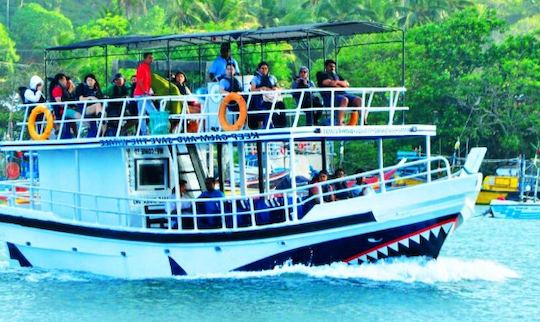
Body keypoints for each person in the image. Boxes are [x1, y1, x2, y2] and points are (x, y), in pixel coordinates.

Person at [316, 59, 362, 125]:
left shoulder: (337, 76)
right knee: (344, 100)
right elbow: (328, 83)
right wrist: (339, 84)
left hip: (343, 94)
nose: (332, 68)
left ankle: (364, 121)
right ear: (326, 67)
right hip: (330, 97)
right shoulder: (321, 74)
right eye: (330, 66)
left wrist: (336, 83)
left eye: (334, 66)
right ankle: (339, 123)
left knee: (359, 100)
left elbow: (347, 84)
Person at [249, 61, 287, 129]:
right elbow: (252, 90)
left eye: (266, 68)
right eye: (262, 68)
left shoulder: (272, 78)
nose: (264, 70)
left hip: (272, 99)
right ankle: (268, 126)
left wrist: (276, 88)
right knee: (268, 108)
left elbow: (277, 87)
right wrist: (262, 88)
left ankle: (282, 125)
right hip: (261, 101)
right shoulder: (255, 78)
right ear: (259, 69)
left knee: (281, 105)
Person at [133, 52, 157, 135]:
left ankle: (145, 132)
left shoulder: (147, 68)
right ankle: (152, 132)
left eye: (152, 58)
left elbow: (147, 83)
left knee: (141, 114)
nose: (152, 59)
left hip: (143, 94)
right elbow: (139, 81)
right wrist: (145, 92)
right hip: (141, 94)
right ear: (145, 58)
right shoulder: (141, 67)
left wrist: (149, 92)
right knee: (153, 112)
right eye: (150, 58)